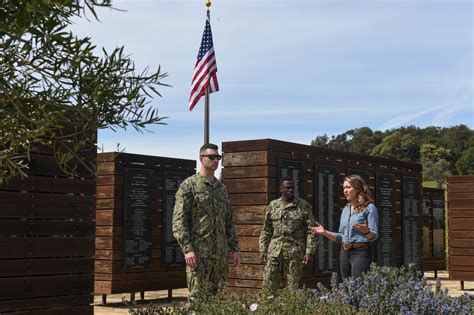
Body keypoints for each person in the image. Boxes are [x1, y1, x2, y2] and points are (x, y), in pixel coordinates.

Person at [172, 143, 241, 303]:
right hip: (199, 255)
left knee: (217, 301)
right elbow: (178, 221)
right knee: (197, 300)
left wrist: (234, 248)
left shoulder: (221, 189)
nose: (216, 160)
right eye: (211, 157)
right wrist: (187, 249)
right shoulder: (189, 186)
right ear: (201, 159)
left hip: (220, 257)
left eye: (218, 157)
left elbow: (228, 221)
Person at [309, 175, 378, 279]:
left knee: (358, 287)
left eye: (348, 187)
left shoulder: (369, 208)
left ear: (358, 188)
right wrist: (324, 232)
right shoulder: (345, 210)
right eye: (344, 188)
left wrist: (366, 232)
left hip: (360, 252)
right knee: (346, 286)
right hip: (344, 252)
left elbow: (374, 236)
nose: (345, 191)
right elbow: (341, 237)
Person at [259, 176, 317, 293]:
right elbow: (266, 230)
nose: (290, 190)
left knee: (292, 289)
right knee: (268, 286)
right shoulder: (273, 205)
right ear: (281, 189)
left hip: (294, 253)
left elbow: (312, 231)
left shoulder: (303, 206)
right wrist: (263, 249)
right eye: (287, 188)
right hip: (275, 252)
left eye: (292, 188)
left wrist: (309, 252)